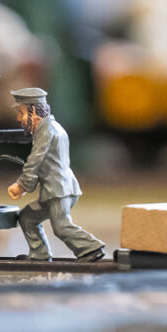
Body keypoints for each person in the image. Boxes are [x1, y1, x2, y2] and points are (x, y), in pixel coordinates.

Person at [7, 88, 104, 262]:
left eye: (21, 113)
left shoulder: (46, 132)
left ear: (34, 112)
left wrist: (22, 185)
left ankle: (91, 248)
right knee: (27, 218)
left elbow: (35, 161)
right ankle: (40, 253)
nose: (18, 118)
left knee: (61, 227)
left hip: (58, 190)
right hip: (54, 189)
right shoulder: (52, 127)